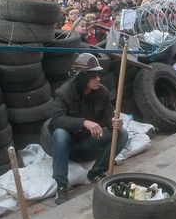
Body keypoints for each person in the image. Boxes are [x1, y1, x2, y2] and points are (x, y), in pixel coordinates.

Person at [48, 53, 128, 205]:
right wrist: (84, 122)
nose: (98, 79)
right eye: (93, 76)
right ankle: (61, 186)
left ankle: (96, 171)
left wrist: (113, 123)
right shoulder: (64, 92)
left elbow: (107, 116)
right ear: (82, 77)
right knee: (59, 134)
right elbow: (57, 119)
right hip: (70, 144)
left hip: (89, 142)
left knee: (121, 133)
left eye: (99, 75)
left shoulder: (102, 92)